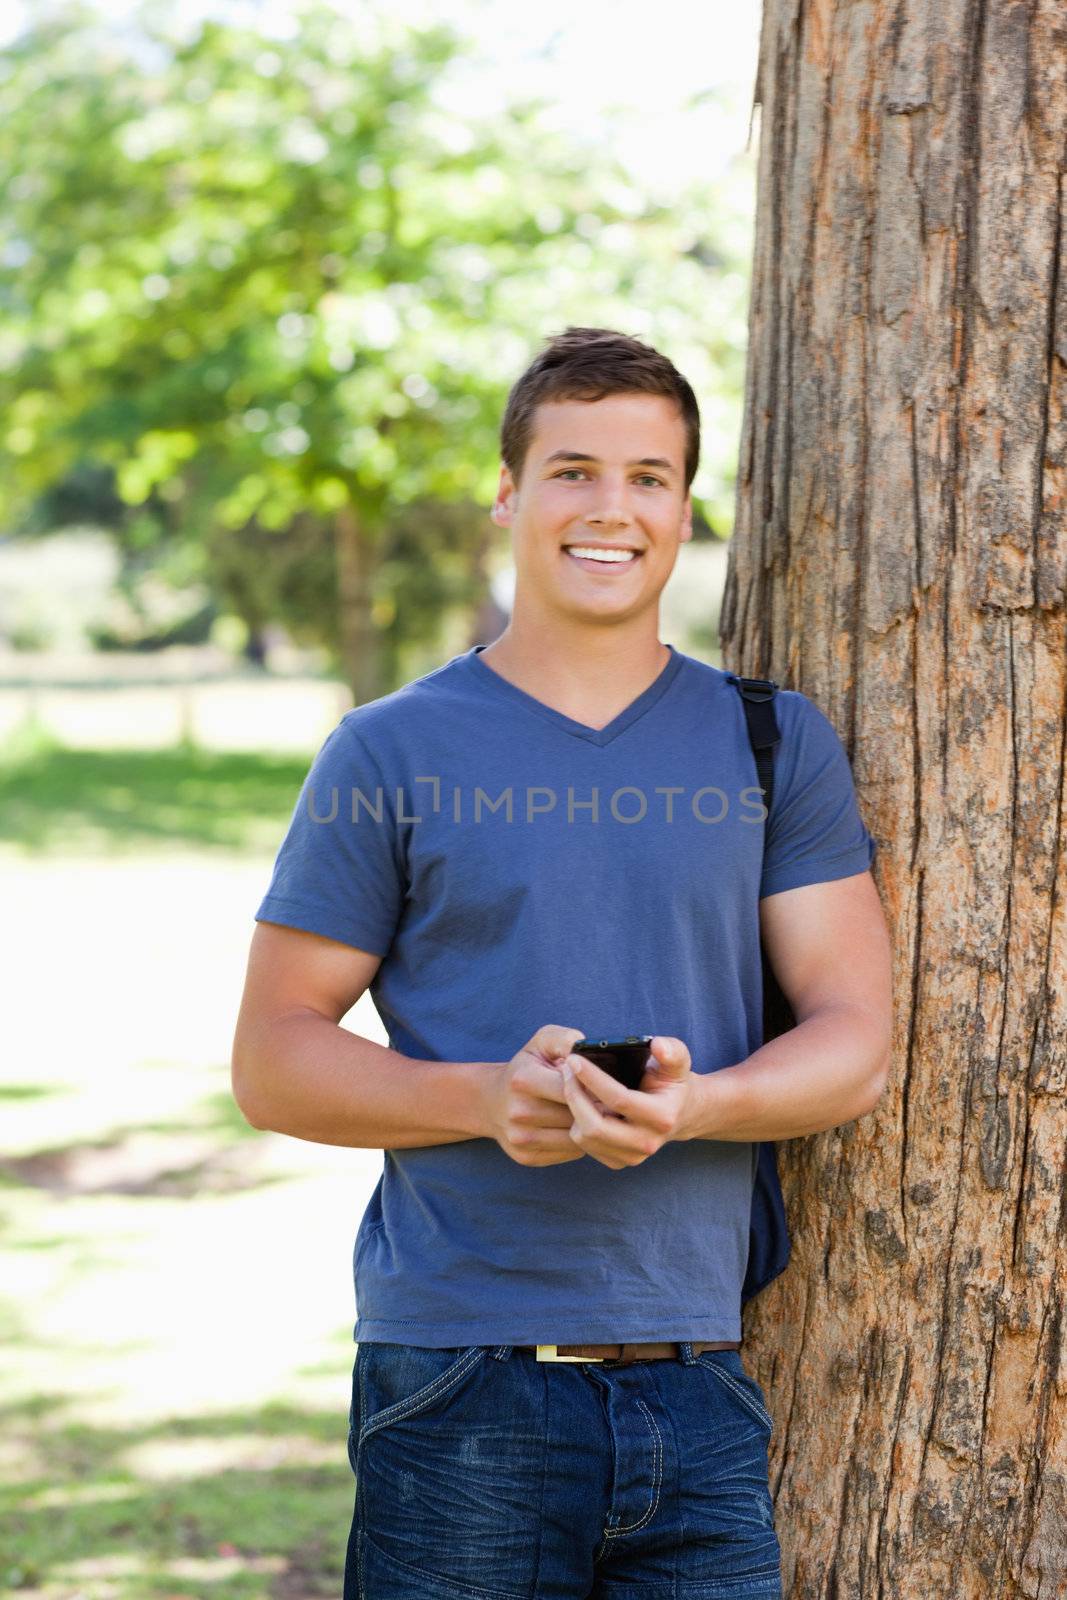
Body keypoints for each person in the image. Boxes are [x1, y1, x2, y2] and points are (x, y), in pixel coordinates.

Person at [231, 326, 893, 1599]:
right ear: (508, 494)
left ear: (684, 510)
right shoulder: (385, 752)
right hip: (459, 1386)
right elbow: (274, 1059)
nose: (611, 507)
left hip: (700, 1389)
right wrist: (487, 1098)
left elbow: (852, 1035)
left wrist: (698, 1106)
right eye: (572, 470)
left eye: (648, 477)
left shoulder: (771, 744)